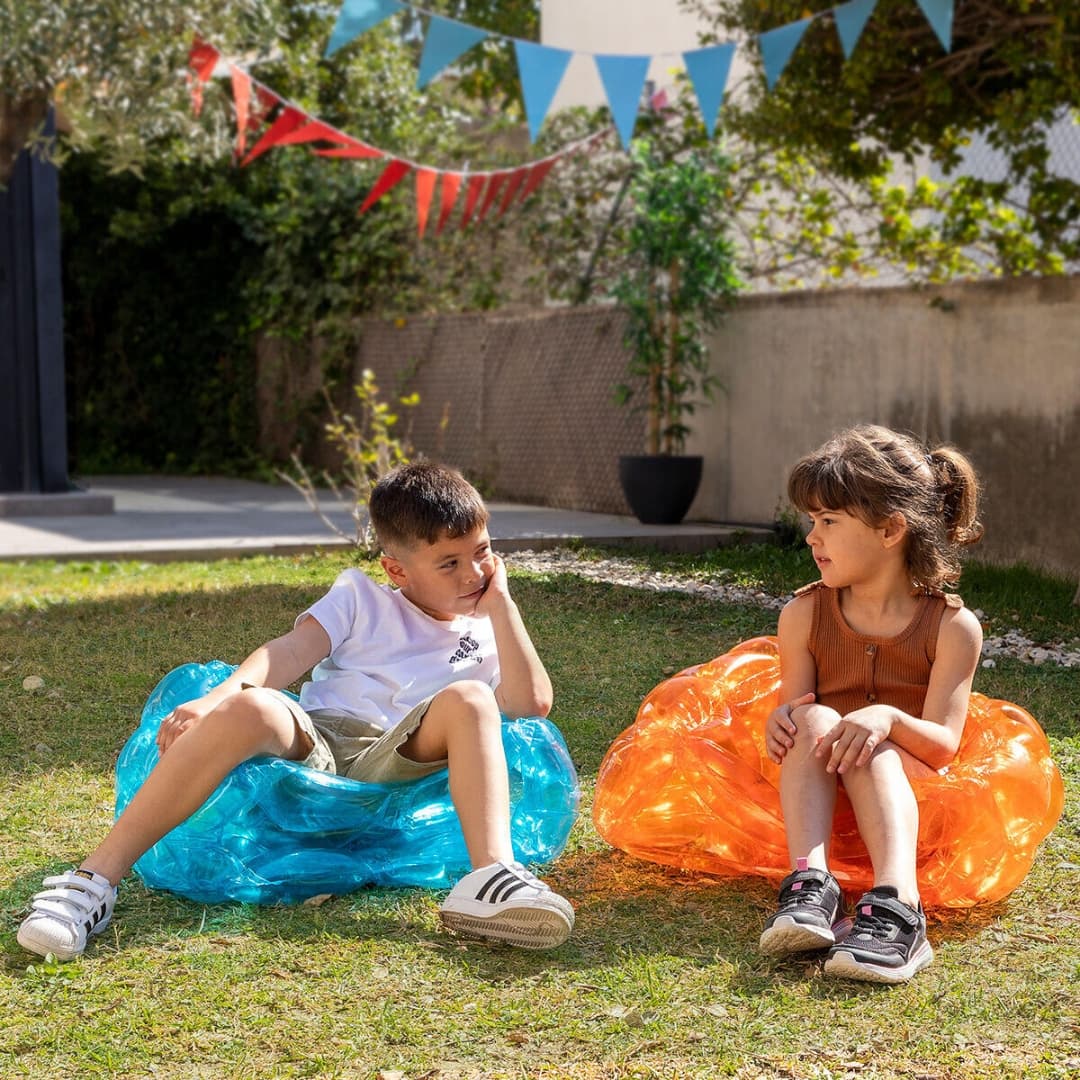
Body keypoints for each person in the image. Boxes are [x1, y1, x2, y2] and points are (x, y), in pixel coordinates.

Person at [19, 462, 573, 960]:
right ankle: (92, 882)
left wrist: (503, 606)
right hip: (324, 744)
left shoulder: (488, 623)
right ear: (397, 571)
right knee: (254, 707)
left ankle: (492, 879)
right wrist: (217, 699)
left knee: (472, 697)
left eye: (481, 552)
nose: (473, 574)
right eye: (448, 563)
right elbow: (287, 653)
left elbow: (531, 704)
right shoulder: (362, 597)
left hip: (408, 755)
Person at [759, 425, 984, 984]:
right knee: (815, 716)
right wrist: (784, 722)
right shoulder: (804, 615)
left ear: (890, 529)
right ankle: (811, 884)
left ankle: (898, 907)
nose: (812, 537)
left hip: (909, 787)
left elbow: (943, 747)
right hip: (824, 791)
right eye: (811, 521)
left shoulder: (952, 628)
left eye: (829, 522)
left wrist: (887, 717)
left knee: (875, 749)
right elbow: (799, 716)